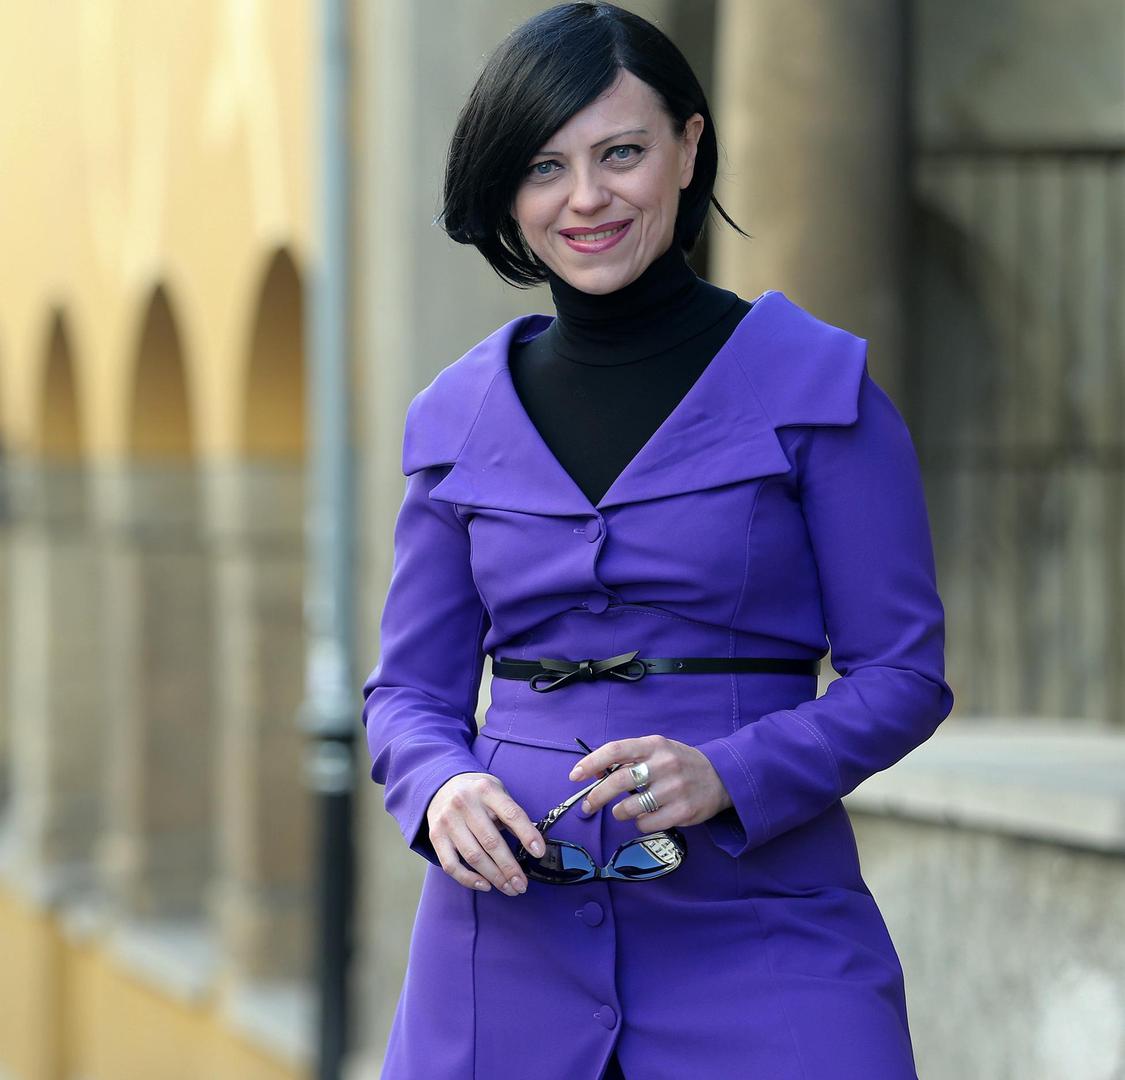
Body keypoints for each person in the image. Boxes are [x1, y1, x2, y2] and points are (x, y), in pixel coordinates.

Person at [360, 3, 954, 1078]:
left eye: (621, 153)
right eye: (543, 166)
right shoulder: (453, 418)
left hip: (766, 933)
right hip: (503, 948)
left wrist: (731, 770)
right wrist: (440, 785)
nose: (585, 198)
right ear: (507, 192)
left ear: (688, 147)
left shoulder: (819, 387)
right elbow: (407, 693)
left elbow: (902, 676)